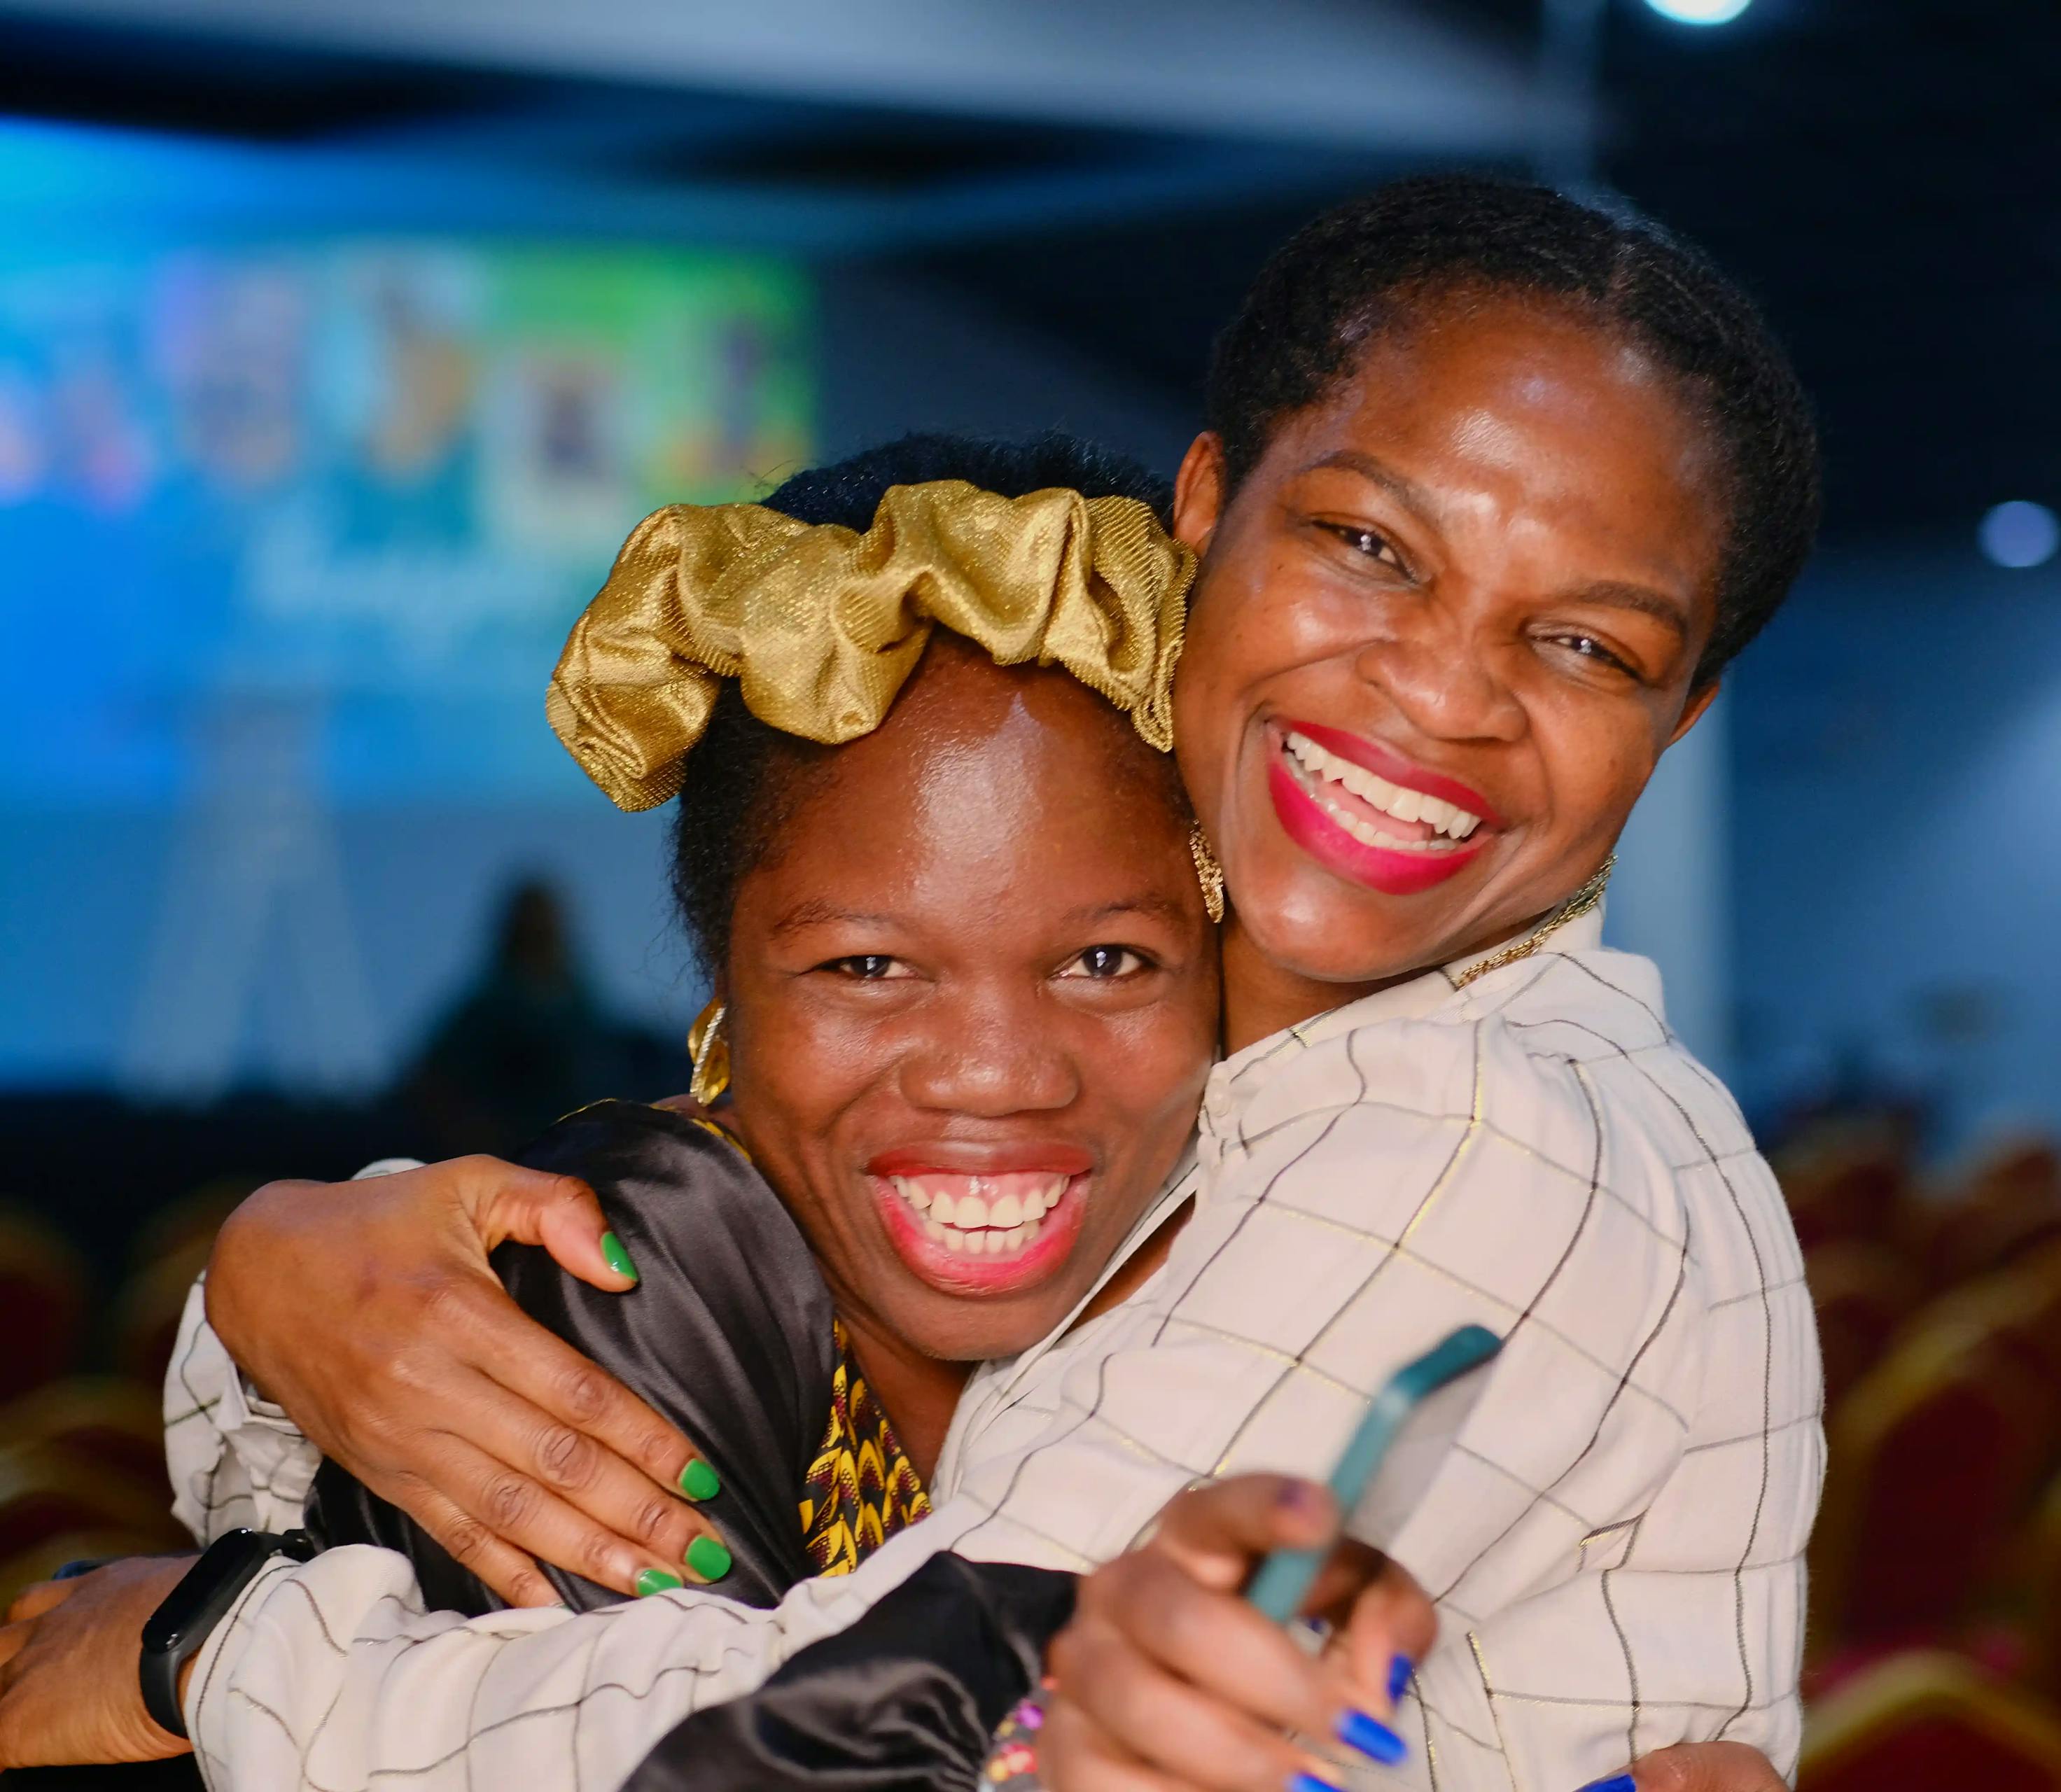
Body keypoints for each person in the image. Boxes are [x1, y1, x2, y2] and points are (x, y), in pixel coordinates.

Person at [8, 174, 1826, 1792]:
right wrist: (265, 1287)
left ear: (1685, 712)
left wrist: (215, 1653)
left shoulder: (1461, 1128)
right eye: (1367, 545)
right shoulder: (693, 1269)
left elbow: (927, 1709)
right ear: (1211, 514)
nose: (1435, 694)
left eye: (1584, 641)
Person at [397, 876, 684, 1158]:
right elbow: (432, 1084)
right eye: (534, 926)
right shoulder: (492, 1006)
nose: (545, 933)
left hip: (588, 1152)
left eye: (549, 925)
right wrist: (482, 1146)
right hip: (524, 1160)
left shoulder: (579, 1002)